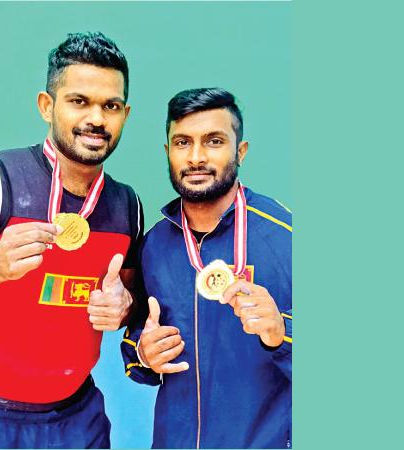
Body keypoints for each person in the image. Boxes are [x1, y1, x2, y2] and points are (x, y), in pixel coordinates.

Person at [0, 32, 143, 449]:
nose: (96, 118)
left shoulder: (127, 206)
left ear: (125, 114)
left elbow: (130, 300)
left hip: (79, 421)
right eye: (79, 101)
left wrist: (124, 306)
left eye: (110, 106)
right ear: (47, 105)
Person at [121, 88, 292, 448]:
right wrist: (144, 353)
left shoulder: (287, 236)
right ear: (168, 153)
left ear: (240, 151)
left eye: (214, 141)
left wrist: (282, 331)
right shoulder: (154, 246)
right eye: (183, 142)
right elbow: (137, 337)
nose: (196, 157)